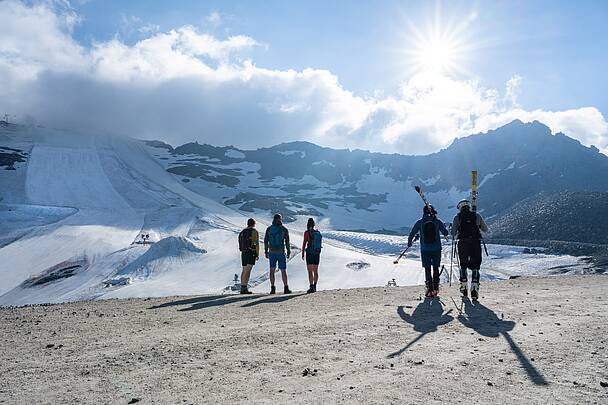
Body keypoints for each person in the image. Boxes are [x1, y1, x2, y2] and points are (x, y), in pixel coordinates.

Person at [407, 205, 449, 297]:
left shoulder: (420, 222)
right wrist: (444, 226)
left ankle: (429, 289)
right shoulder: (437, 222)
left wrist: (409, 242)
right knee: (435, 268)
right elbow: (446, 233)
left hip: (425, 249)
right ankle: (436, 289)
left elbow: (412, 233)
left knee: (427, 269)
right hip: (437, 249)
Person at [451, 199, 489, 300]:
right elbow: (485, 229)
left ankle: (464, 287)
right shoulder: (477, 216)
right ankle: (474, 288)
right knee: (476, 265)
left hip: (462, 243)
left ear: (460, 207)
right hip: (475, 243)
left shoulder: (457, 217)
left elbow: (453, 233)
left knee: (463, 265)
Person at [264, 214, 292, 294]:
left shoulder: (269, 229)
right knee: (283, 270)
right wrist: (289, 251)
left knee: (272, 270)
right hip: (280, 252)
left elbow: (266, 241)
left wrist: (266, 251)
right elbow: (287, 242)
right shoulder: (284, 229)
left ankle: (273, 288)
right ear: (280, 219)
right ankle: (286, 288)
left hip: (272, 252)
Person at [238, 218, 259, 294]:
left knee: (244, 270)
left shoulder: (243, 232)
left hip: (244, 252)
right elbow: (256, 244)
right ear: (254, 224)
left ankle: (242, 287)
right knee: (248, 270)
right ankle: (244, 288)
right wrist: (257, 254)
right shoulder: (254, 231)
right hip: (251, 252)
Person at [301, 217, 322, 293]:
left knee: (310, 271)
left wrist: (303, 253)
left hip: (309, 253)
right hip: (317, 253)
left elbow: (304, 243)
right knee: (316, 270)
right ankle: (315, 286)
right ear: (314, 225)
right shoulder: (317, 232)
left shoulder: (307, 233)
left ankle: (311, 287)